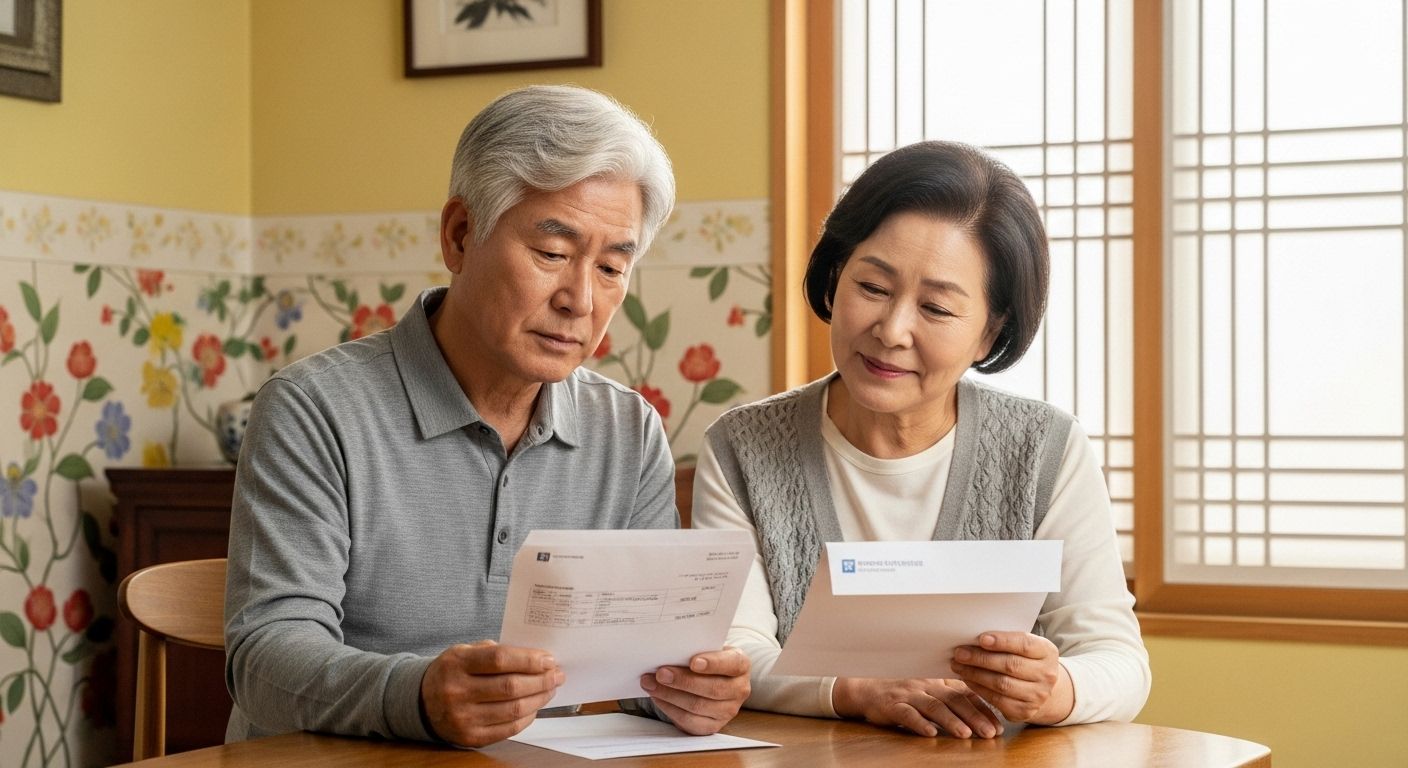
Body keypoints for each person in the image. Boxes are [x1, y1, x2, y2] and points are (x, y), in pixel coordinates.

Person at [223, 85, 750, 749]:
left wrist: (689, 690)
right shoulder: (314, 409)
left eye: (613, 266)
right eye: (553, 254)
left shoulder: (627, 432)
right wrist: (418, 697)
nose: (581, 299)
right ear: (460, 234)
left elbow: (639, 670)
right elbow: (263, 663)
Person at [692, 140, 1150, 739]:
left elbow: (1119, 661)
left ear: (990, 333)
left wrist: (1055, 686)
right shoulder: (742, 445)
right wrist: (856, 692)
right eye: (874, 289)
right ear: (835, 278)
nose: (892, 330)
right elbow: (733, 654)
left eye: (936, 307)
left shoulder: (1045, 449)